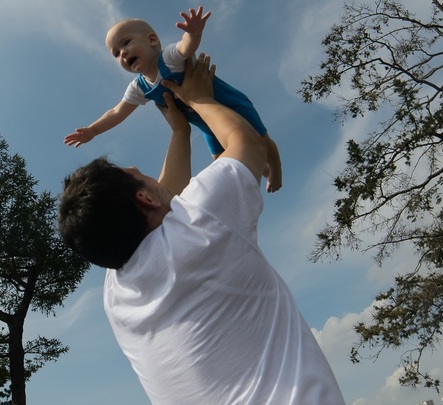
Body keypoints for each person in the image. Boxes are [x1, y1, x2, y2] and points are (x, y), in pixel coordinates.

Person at [58, 54, 345, 404]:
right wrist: (198, 97)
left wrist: (181, 131)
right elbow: (248, 144)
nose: (137, 166)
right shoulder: (201, 223)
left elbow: (168, 195)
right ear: (144, 198)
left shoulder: (117, 293)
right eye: (135, 173)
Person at [63, 6, 283, 193]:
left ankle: (275, 170)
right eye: (116, 53)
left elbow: (185, 46)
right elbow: (117, 112)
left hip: (230, 105)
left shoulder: (167, 59)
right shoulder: (139, 87)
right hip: (206, 124)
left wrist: (194, 33)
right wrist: (93, 130)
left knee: (261, 139)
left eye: (126, 43)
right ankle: (259, 170)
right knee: (220, 158)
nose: (122, 53)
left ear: (151, 40)